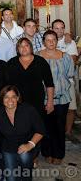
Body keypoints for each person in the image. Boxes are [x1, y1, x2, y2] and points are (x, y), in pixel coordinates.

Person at [0, 85, 45, 181]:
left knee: (24, 160)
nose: (10, 100)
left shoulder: (28, 110)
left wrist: (30, 145)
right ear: (2, 99)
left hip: (29, 143)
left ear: (18, 98)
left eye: (13, 97)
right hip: (9, 147)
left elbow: (40, 130)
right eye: (6, 97)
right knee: (11, 178)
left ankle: (29, 165)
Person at [39, 30, 74, 165]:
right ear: (43, 42)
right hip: (44, 99)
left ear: (57, 41)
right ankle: (47, 152)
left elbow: (69, 74)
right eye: (48, 40)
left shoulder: (65, 57)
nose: (51, 42)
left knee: (59, 126)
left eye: (53, 39)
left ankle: (59, 153)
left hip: (61, 98)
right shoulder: (38, 57)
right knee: (46, 126)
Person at [6, 38, 54, 115]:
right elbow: (6, 85)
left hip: (37, 101)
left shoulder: (40, 61)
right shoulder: (11, 63)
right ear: (17, 49)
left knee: (36, 125)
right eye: (20, 46)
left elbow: (49, 84)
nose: (24, 48)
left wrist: (50, 102)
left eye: (26, 45)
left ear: (31, 47)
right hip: (16, 102)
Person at [52, 19, 78, 136]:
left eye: (62, 28)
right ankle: (57, 132)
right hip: (52, 81)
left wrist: (55, 60)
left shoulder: (70, 42)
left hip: (68, 80)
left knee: (71, 108)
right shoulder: (48, 40)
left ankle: (68, 131)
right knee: (54, 108)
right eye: (56, 28)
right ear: (52, 29)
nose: (59, 30)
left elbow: (72, 60)